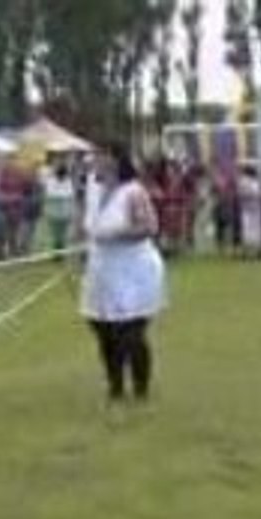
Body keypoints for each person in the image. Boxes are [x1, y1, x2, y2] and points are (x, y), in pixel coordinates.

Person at [81, 143, 167, 405]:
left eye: (100, 155)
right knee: (102, 327)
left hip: (133, 269)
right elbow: (87, 222)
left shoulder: (133, 192)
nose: (94, 160)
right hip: (102, 268)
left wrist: (115, 235)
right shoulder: (92, 188)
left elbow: (149, 227)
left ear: (115, 160)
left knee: (128, 331)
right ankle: (115, 385)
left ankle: (140, 387)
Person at [43, 159, 77, 251]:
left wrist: (60, 195)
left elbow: (70, 194)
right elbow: (50, 194)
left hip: (64, 213)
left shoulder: (68, 181)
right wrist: (61, 195)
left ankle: (60, 249)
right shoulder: (51, 181)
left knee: (62, 233)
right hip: (53, 212)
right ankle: (57, 248)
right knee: (55, 234)